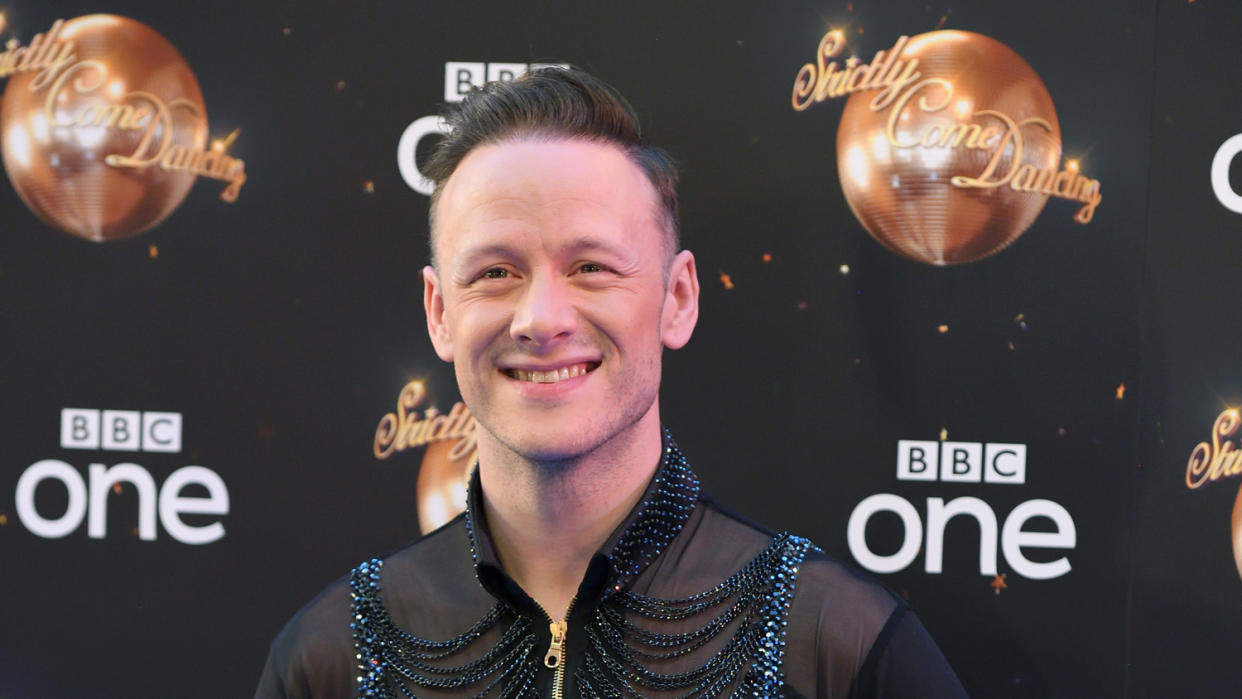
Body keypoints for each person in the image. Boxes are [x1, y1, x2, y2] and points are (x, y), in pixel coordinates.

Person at [255, 67, 968, 699]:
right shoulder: (333, 656)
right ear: (441, 313)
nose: (540, 318)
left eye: (591, 266)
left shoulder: (834, 643)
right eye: (495, 272)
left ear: (678, 297)